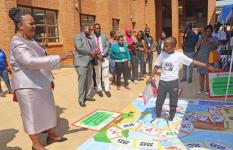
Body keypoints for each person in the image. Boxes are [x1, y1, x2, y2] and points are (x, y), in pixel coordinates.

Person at [8, 8, 72, 150]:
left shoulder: (31, 40)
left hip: (42, 82)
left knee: (48, 110)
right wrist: (59, 57)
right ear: (20, 25)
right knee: (31, 115)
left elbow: (42, 58)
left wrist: (50, 78)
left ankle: (51, 135)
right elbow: (30, 61)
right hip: (27, 86)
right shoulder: (17, 42)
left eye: (34, 23)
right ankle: (36, 144)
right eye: (31, 24)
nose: (34, 26)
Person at [147, 37, 215, 121]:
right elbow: (157, 66)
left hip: (173, 83)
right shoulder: (162, 54)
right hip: (162, 82)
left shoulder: (178, 56)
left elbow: (192, 61)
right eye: (164, 46)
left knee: (173, 100)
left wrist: (206, 65)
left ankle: (171, 116)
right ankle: (158, 114)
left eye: (166, 46)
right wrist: (150, 77)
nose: (164, 47)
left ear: (173, 46)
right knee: (159, 99)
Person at [74, 25, 97, 107]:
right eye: (89, 29)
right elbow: (79, 47)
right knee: (82, 82)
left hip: (90, 62)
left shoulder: (90, 38)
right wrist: (91, 52)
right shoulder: (78, 37)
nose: (90, 30)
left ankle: (87, 96)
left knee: (89, 80)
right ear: (84, 29)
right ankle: (81, 99)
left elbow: (94, 47)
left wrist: (95, 51)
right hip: (81, 63)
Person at [196, 25, 218, 94]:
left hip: (210, 59)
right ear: (204, 32)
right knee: (201, 74)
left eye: (210, 31)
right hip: (201, 58)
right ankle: (201, 89)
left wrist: (208, 41)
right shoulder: (201, 38)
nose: (208, 32)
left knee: (208, 74)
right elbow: (197, 48)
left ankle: (207, 90)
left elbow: (214, 48)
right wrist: (199, 42)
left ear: (212, 32)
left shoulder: (214, 39)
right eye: (207, 31)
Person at [91, 23, 111, 97]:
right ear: (94, 29)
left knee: (106, 75)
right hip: (96, 59)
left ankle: (107, 89)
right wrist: (97, 55)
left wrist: (102, 54)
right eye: (96, 28)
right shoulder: (91, 37)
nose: (98, 29)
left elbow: (107, 46)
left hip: (104, 58)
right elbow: (91, 48)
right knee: (98, 75)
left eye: (99, 28)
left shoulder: (104, 36)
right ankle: (99, 89)